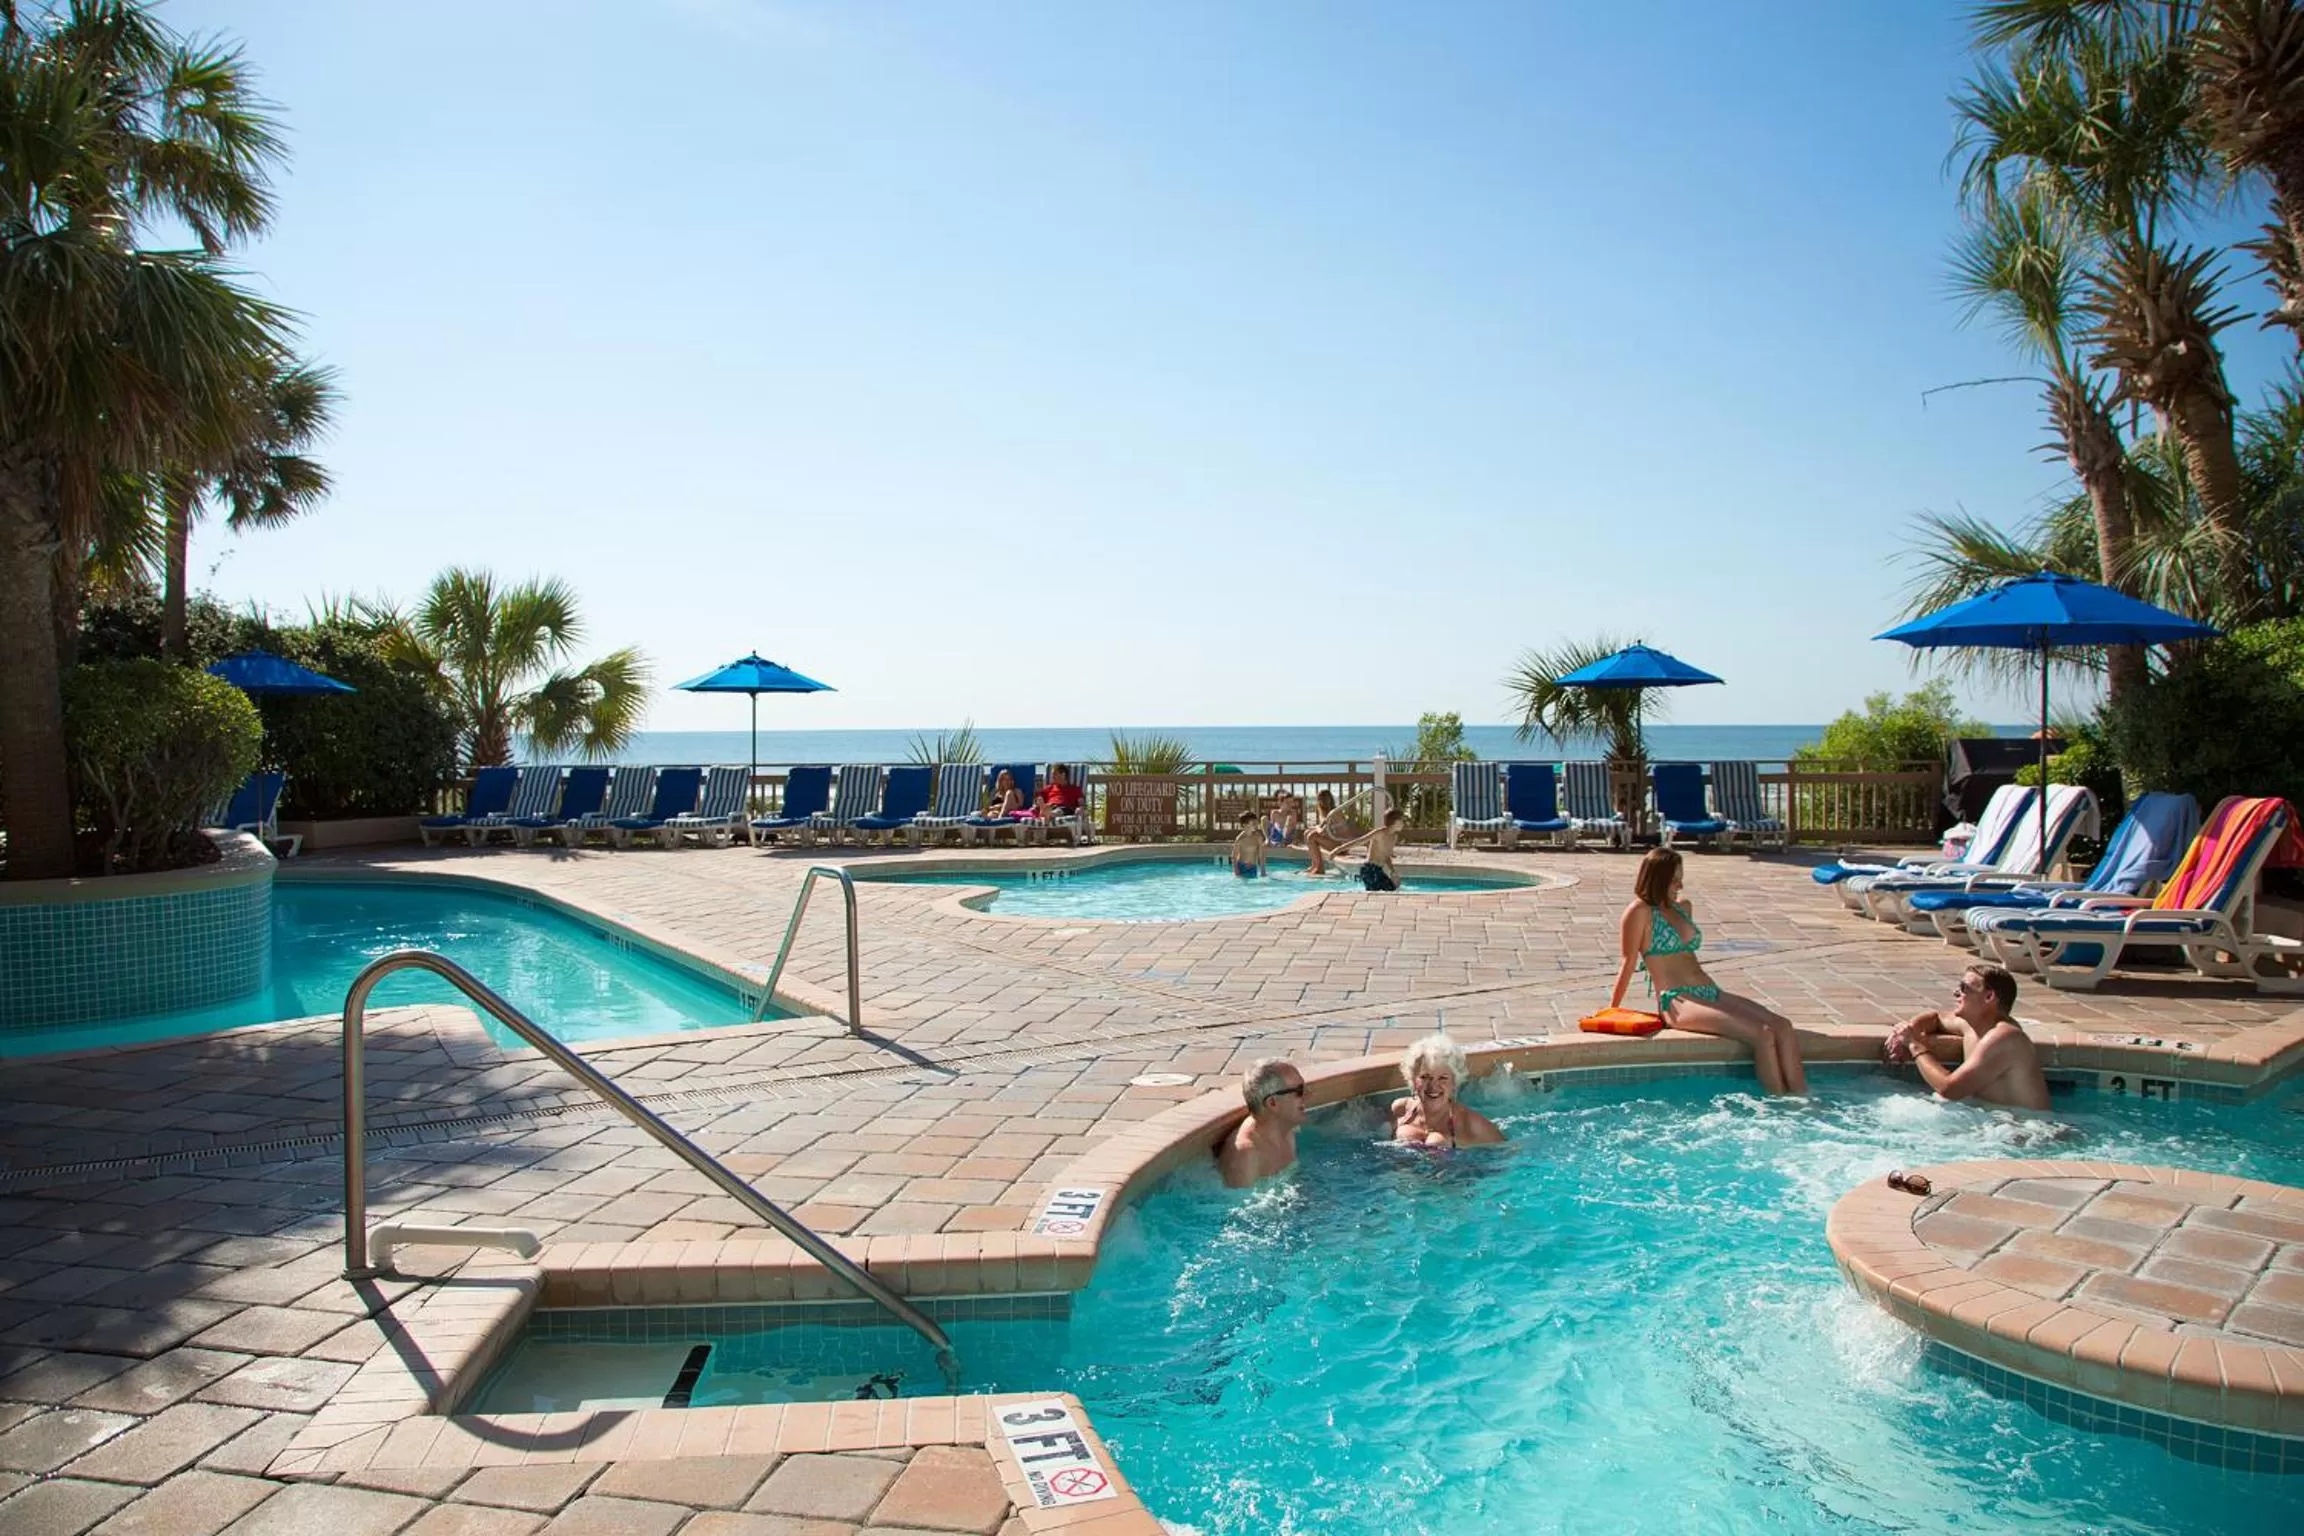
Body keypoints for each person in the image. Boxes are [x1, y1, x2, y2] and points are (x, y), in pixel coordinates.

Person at [1610, 847, 1809, 1096]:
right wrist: (1612, 1009)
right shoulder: (1639, 912)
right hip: (1678, 1000)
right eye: (1674, 879)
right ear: (1657, 878)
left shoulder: (1683, 907)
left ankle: (1803, 1101)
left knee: (1783, 1026)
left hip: (1710, 991)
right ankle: (1780, 1104)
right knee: (1762, 1034)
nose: (1680, 885)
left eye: (1681, 878)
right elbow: (1627, 963)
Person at [1883, 963, 2050, 1111]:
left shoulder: (2005, 1037)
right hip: (2000, 1126)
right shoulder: (1972, 1025)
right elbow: (1936, 1018)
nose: (1956, 993)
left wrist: (1914, 1045)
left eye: (1964, 988)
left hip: (2028, 1132)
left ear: (1989, 997)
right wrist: (1909, 1029)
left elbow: (1949, 1090)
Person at [1391, 1033, 1505, 1147]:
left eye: (1442, 1078)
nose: (1433, 1086)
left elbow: (1506, 1152)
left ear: (1454, 1082)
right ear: (1412, 1078)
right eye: (1425, 1077)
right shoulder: (1400, 1109)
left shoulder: (1470, 1124)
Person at [1217, 1058, 1308, 1186]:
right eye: (1299, 1091)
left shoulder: (1286, 1128)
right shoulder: (1247, 1157)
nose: (1308, 1095)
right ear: (1272, 1103)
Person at [1335, 808, 1404, 891]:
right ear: (1394, 822)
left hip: (1379, 870)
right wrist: (1338, 849)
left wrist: (1393, 872)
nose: (1404, 823)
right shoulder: (1379, 833)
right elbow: (1359, 841)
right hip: (1369, 869)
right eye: (1402, 820)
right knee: (1378, 893)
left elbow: (1386, 856)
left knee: (1393, 889)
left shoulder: (1394, 837)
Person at [1305, 789, 1356, 875]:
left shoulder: (1334, 812)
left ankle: (1320, 868)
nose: (1322, 801)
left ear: (1329, 800)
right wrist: (1315, 828)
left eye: (1324, 799)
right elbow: (1321, 828)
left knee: (1312, 836)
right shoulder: (1326, 813)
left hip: (1342, 846)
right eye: (1320, 799)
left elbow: (1322, 831)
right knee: (1307, 832)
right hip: (1336, 843)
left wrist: (1316, 828)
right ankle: (1315, 865)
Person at [1231, 811, 1268, 879]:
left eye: (1256, 823)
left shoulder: (1258, 837)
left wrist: (1263, 869)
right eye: (1253, 823)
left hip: (1253, 867)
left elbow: (1261, 854)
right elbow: (1234, 856)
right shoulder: (1240, 839)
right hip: (1241, 867)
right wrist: (1236, 870)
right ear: (1245, 824)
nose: (1256, 825)